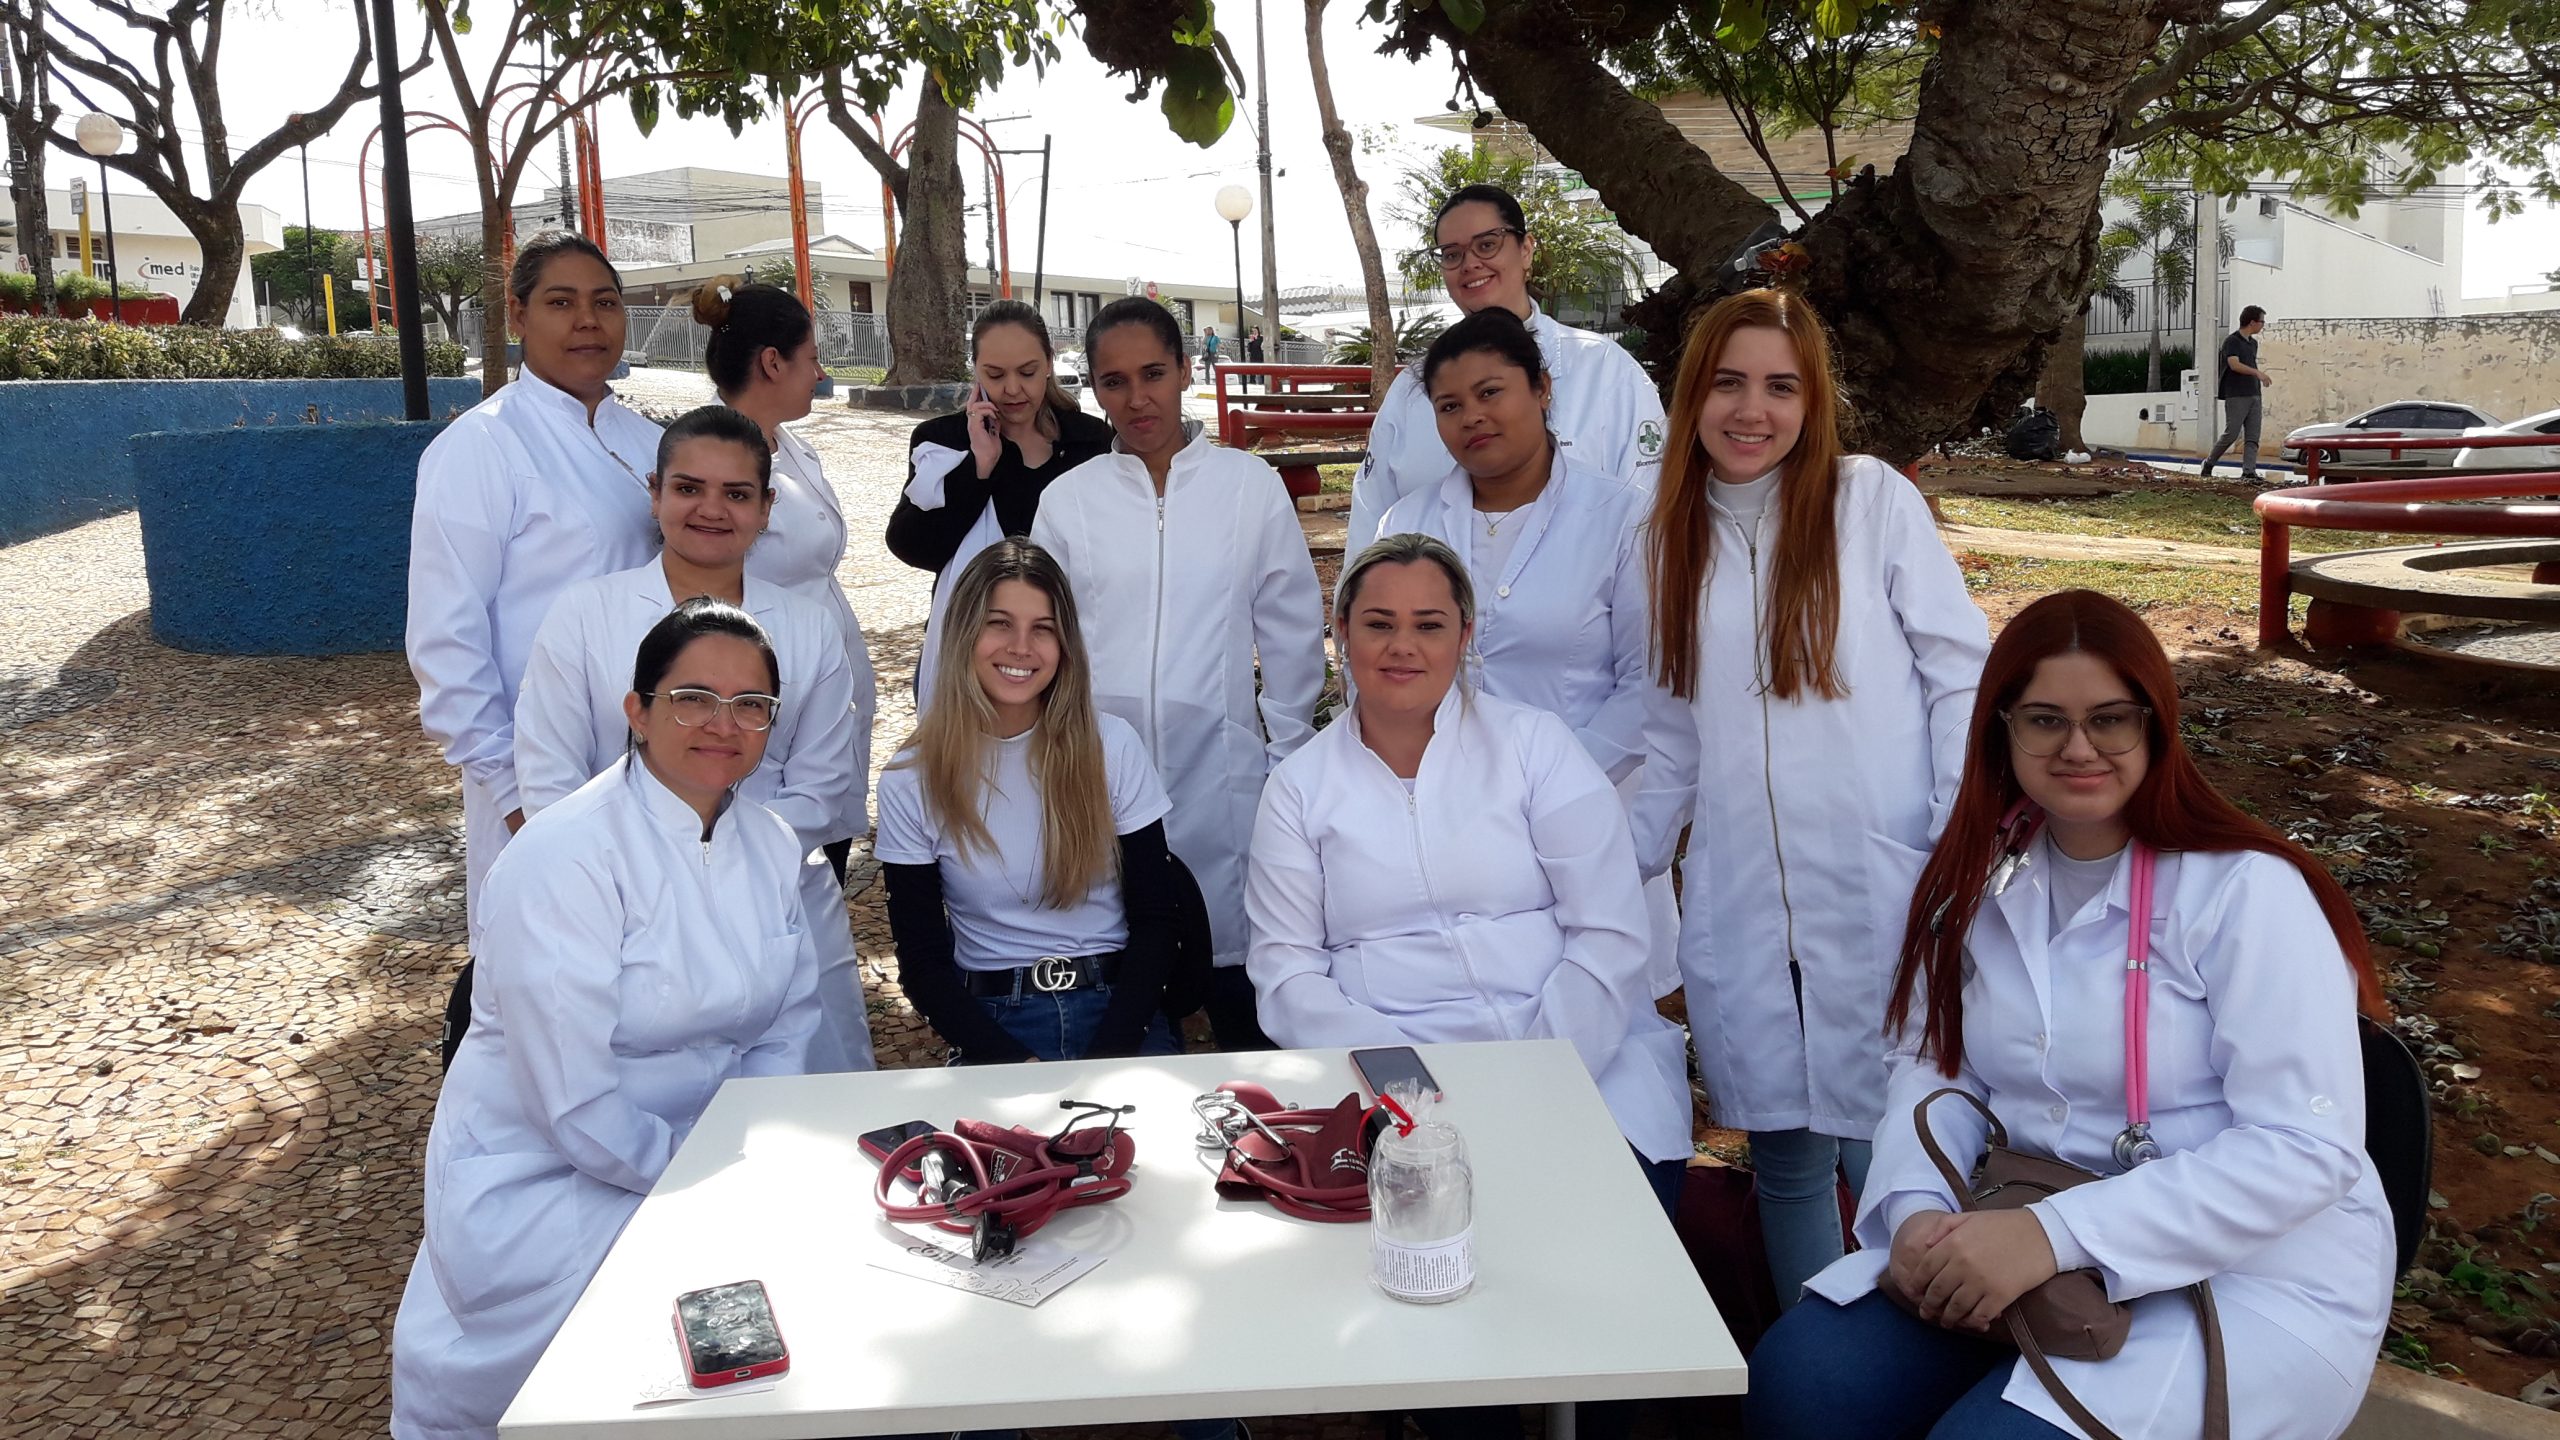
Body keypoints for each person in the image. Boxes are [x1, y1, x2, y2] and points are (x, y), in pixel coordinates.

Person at [1746, 589, 2394, 1440]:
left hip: (2246, 1268)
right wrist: (1915, 1209)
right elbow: (1936, 1063)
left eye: (2110, 719)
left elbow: (2306, 1148)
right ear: (2002, 731)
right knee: (1804, 1382)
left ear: (2155, 727)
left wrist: (2053, 1235)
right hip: (2016, 1221)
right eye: (2045, 720)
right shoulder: (1978, 878)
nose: (2079, 747)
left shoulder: (2245, 892)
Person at [390, 599, 822, 1440]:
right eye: (693, 698)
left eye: (751, 705)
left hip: (712, 1154)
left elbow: (784, 1030)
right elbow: (574, 1104)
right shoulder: (566, 855)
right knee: (628, 1372)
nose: (722, 724)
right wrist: (708, 1186)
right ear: (638, 710)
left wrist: (753, 1151)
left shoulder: (772, 845)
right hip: (549, 1176)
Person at [1644, 287, 1990, 1308]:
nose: (1751, 410)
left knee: (1890, 1146)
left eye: (1780, 387)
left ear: (1814, 401)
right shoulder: (1663, 533)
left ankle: (1905, 1348)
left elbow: (1958, 671)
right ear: (1693, 395)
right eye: (1728, 383)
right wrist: (1610, 864)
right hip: (1743, 891)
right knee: (1787, 1157)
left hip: (1879, 875)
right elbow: (1665, 728)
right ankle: (1814, 1355)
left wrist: (1950, 831)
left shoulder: (1867, 501)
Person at [513, 405, 874, 1074]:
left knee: (799, 1094)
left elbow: (822, 786)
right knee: (628, 1094)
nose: (711, 509)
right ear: (655, 494)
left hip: (777, 895)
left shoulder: (808, 626)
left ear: (766, 509)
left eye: (736, 493)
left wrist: (723, 861)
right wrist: (651, 868)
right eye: (688, 488)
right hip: (620, 900)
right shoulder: (586, 613)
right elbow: (548, 775)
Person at [1032, 296, 1325, 1050]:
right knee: (1123, 978)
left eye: (1154, 374)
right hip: (1100, 774)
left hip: (1223, 776)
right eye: (1114, 381)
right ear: (1094, 388)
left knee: (1237, 983)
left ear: (1186, 370)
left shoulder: (1247, 487)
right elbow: (1044, 639)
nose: (1137, 398)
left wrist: (1285, 753)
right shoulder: (1069, 501)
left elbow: (1291, 631)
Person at [406, 232, 662, 1068]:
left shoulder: (647, 443)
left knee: (659, 983)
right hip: (541, 775)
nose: (588, 321)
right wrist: (517, 798)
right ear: (516, 315)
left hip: (666, 759)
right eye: (561, 302)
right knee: (554, 998)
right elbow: (447, 644)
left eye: (605, 302)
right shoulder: (483, 447)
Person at [1377, 308, 1686, 998]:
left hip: (1587, 807)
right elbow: (1378, 669)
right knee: (1464, 1009)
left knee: (1594, 1013)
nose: (1472, 417)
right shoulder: (1408, 525)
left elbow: (1651, 679)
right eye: (1449, 405)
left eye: (1491, 392)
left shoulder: (1624, 519)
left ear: (1542, 388)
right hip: (1443, 815)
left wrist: (1547, 783)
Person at [877, 538, 1184, 1062]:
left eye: (1043, 628)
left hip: (1117, 1010)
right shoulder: (912, 778)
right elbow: (923, 961)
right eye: (999, 623)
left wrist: (1109, 1056)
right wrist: (1017, 1067)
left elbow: (1158, 918)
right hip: (995, 1020)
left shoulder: (1111, 746)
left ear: (1065, 645)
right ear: (963, 632)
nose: (1021, 647)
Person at [1347, 183, 1667, 552]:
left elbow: (1651, 516)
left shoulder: (1605, 370)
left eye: (1487, 245)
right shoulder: (1411, 390)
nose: (1470, 264)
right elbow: (1370, 526)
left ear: (1526, 249)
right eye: (1452, 254)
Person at [692, 276, 879, 873]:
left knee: (827, 840)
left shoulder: (792, 448)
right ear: (773, 363)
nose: (819, 374)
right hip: (767, 683)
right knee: (770, 855)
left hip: (827, 679)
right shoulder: (710, 460)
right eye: (811, 358)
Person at [886, 300, 1115, 699]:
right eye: (995, 374)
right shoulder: (944, 440)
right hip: (971, 647)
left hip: (1067, 645)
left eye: (1027, 372)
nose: (1012, 389)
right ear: (975, 369)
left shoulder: (1091, 441)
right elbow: (913, 546)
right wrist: (979, 467)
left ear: (1049, 363)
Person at [2200, 304, 2271, 483]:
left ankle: (2249, 471)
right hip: (2236, 393)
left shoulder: (2253, 343)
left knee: (2253, 436)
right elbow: (2234, 364)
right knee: (2231, 433)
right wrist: (2257, 373)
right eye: (2261, 322)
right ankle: (2209, 463)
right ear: (2252, 322)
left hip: (2254, 393)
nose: (2262, 325)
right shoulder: (2232, 341)